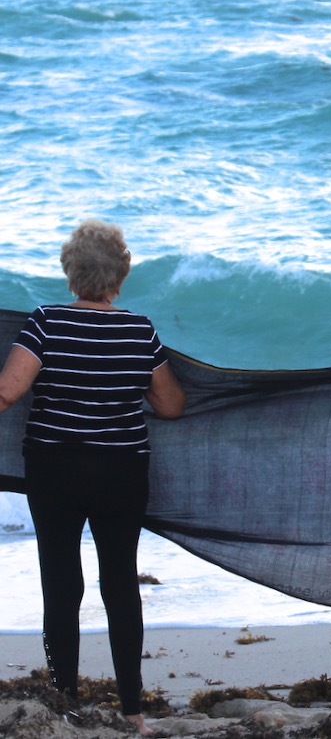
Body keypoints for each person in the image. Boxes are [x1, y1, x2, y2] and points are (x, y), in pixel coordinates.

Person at [0, 219, 185, 736]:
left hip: (55, 469)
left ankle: (66, 703)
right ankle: (133, 712)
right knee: (120, 582)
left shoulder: (45, 323)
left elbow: (7, 393)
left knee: (61, 584)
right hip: (122, 472)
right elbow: (170, 405)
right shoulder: (139, 330)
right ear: (119, 276)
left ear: (70, 272)